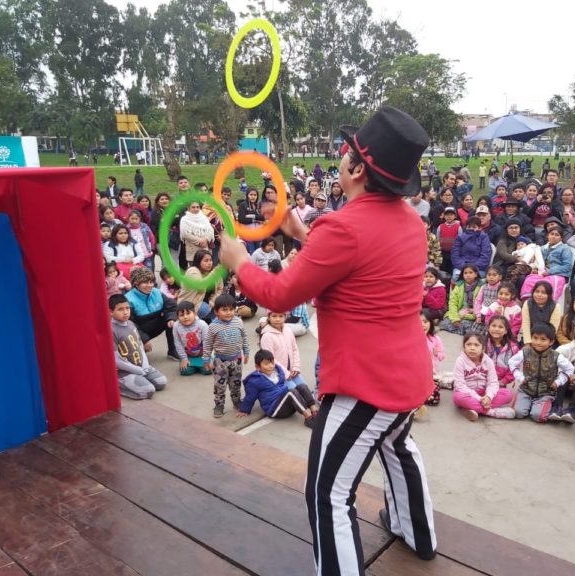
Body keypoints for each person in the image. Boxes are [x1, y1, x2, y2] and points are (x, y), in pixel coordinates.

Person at [218, 106, 438, 571]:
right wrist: (303, 234)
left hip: (367, 385)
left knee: (327, 492)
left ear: (357, 169)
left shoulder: (343, 228)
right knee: (398, 448)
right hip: (408, 376)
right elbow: (359, 256)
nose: (341, 155)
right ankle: (418, 534)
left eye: (348, 151)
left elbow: (279, 291)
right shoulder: (410, 221)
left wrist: (239, 261)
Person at [509, 323, 575, 422]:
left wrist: (558, 382)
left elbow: (570, 369)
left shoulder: (556, 356)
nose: (538, 342)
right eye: (535, 338)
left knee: (538, 417)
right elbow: (512, 363)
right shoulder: (525, 352)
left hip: (545, 393)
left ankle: (540, 405)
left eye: (543, 339)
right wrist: (520, 377)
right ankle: (527, 402)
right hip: (526, 390)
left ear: (551, 341)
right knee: (517, 413)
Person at [238, 350, 318, 427]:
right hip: (274, 409)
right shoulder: (255, 380)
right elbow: (250, 397)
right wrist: (244, 410)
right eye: (266, 364)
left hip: (286, 403)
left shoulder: (278, 370)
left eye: (272, 362)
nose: (270, 366)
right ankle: (309, 418)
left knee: (302, 386)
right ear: (258, 367)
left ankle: (315, 411)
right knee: (291, 392)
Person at [109, 294, 167, 400]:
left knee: (161, 382)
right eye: (120, 309)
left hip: (140, 366)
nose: (126, 312)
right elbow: (115, 359)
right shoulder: (111, 330)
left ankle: (139, 378)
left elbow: (140, 345)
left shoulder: (131, 323)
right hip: (125, 371)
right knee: (148, 390)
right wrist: (136, 370)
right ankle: (118, 385)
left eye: (127, 308)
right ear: (111, 312)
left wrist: (145, 364)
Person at [203, 294, 249, 418]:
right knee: (220, 386)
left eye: (231, 309)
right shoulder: (213, 326)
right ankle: (219, 405)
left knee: (236, 383)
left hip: (237, 360)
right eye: (224, 309)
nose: (228, 313)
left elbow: (244, 337)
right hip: (220, 362)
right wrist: (206, 359)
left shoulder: (238, 321)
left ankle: (237, 401)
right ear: (216, 311)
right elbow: (208, 344)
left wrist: (246, 351)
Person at [452, 332, 515, 421]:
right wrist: (479, 399)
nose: (472, 348)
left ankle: (470, 409)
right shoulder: (460, 361)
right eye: (469, 344)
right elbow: (459, 385)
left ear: (483, 348)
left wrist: (488, 397)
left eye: (476, 345)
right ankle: (491, 412)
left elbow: (493, 382)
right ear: (464, 347)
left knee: (508, 394)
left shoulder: (488, 361)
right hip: (467, 394)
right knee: (457, 397)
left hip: (484, 392)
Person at [124, 267, 178, 359]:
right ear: (136, 284)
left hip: (154, 325)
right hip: (138, 331)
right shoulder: (128, 299)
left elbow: (171, 306)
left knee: (173, 322)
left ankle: (172, 351)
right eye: (145, 282)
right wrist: (144, 339)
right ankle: (139, 347)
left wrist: (171, 318)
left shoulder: (156, 292)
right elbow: (130, 324)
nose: (149, 285)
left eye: (151, 282)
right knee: (137, 361)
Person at [260, 310, 306, 390]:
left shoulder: (288, 330)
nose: (277, 319)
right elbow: (271, 360)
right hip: (277, 374)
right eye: (274, 316)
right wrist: (286, 373)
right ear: (268, 317)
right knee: (295, 393)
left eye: (281, 316)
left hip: (291, 370)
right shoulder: (267, 336)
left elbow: (294, 349)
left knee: (304, 389)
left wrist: (295, 367)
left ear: (285, 317)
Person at [176, 249, 223, 322]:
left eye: (210, 260)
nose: (209, 263)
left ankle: (210, 322)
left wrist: (213, 300)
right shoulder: (192, 271)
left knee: (219, 305)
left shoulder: (213, 272)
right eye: (206, 261)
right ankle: (194, 322)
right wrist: (216, 270)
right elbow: (201, 285)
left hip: (207, 303)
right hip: (191, 304)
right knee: (204, 308)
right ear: (198, 262)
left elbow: (220, 289)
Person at [440, 264, 481, 335]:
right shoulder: (458, 286)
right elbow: (452, 303)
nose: (468, 275)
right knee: (444, 324)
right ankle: (462, 331)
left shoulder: (481, 287)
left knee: (468, 326)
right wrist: (455, 318)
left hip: (472, 314)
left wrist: (470, 312)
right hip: (459, 312)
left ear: (476, 274)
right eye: (465, 273)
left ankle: (461, 330)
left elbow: (481, 304)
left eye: (470, 273)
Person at [172, 300, 211, 376]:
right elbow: (178, 343)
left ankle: (203, 363)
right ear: (178, 317)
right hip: (188, 355)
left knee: (207, 370)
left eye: (188, 313)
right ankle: (192, 364)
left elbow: (207, 343)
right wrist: (184, 358)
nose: (185, 317)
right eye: (182, 315)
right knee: (185, 371)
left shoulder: (202, 325)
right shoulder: (176, 326)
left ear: (195, 313)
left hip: (203, 354)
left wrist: (207, 358)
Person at [450, 216, 492, 281]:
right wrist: (464, 267)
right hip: (461, 267)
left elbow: (486, 255)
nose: (471, 229)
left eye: (474, 227)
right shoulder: (460, 237)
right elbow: (455, 255)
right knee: (456, 277)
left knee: (477, 278)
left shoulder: (484, 237)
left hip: (478, 268)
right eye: (469, 227)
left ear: (479, 228)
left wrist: (473, 268)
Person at [180, 200, 214, 268]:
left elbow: (210, 230)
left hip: (205, 248)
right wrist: (199, 241)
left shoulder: (204, 218)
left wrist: (206, 239)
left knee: (205, 271)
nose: (196, 209)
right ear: (188, 208)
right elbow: (185, 234)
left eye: (197, 207)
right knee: (194, 271)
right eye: (193, 207)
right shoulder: (185, 219)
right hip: (193, 249)